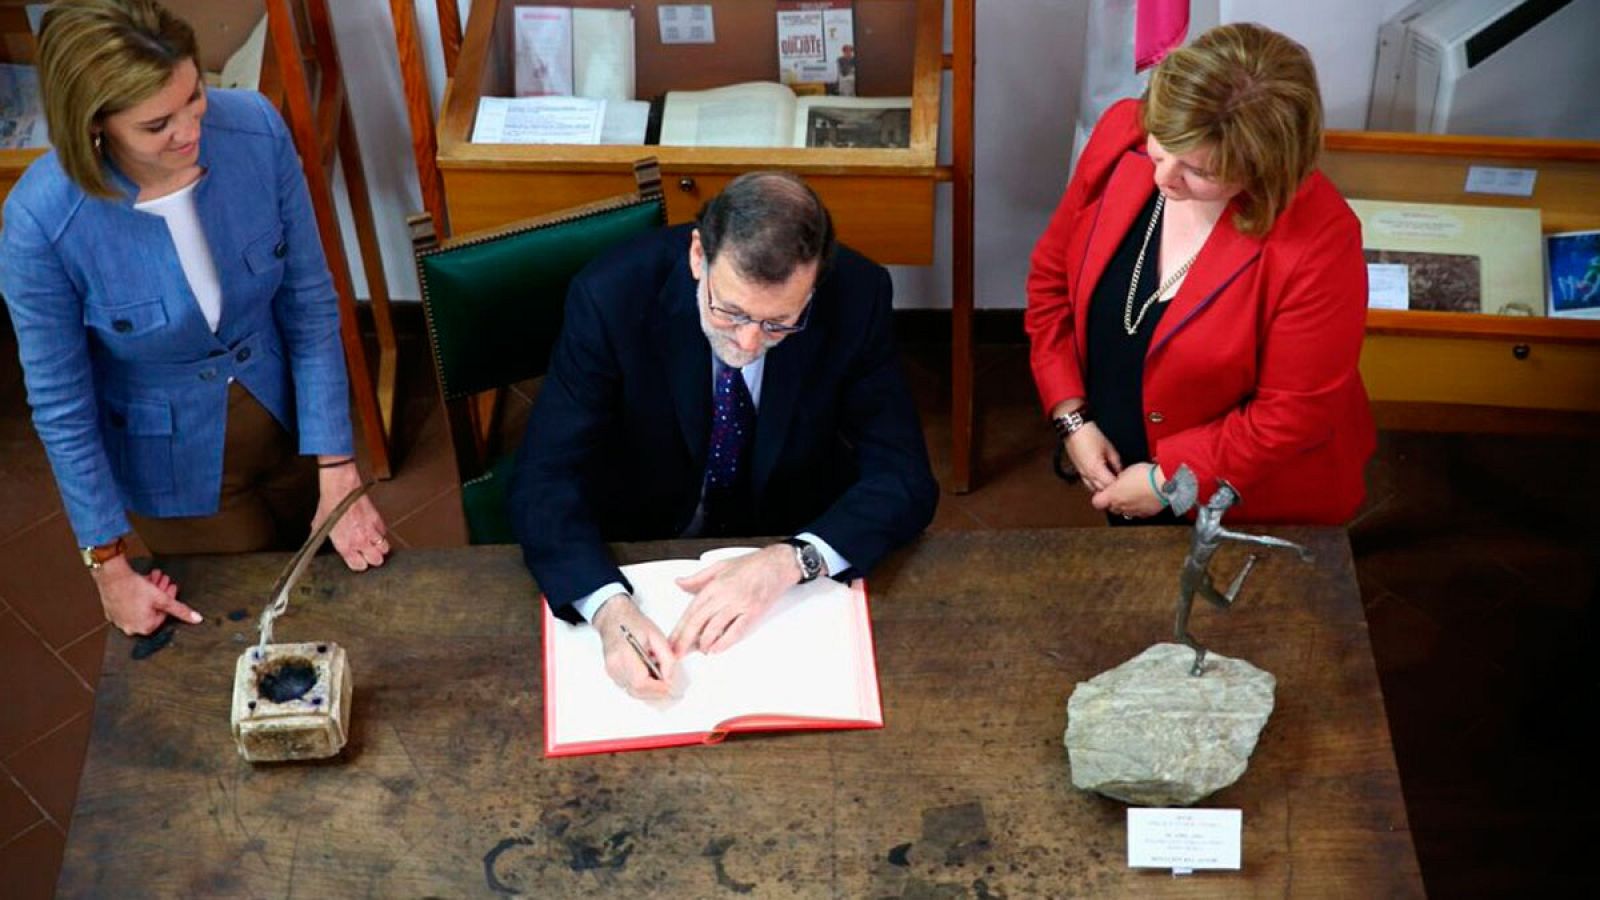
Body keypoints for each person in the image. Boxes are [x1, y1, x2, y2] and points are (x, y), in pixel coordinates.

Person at [0, 0, 388, 638]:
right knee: (251, 634)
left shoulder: (257, 130)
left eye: (195, 97)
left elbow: (310, 302)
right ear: (95, 126)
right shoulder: (43, 223)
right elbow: (62, 406)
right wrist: (108, 566)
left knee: (354, 608)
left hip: (292, 422)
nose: (190, 130)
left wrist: (336, 462)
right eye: (157, 125)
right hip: (177, 466)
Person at [509, 172, 938, 699]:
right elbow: (544, 478)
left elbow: (904, 477)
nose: (750, 341)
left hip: (783, 546)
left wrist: (791, 560)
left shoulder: (858, 294)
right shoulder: (610, 296)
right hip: (638, 545)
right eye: (730, 311)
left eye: (780, 322)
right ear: (698, 256)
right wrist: (607, 608)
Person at [1025, 22, 1375, 526]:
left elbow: (1290, 415)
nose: (1163, 177)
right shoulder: (1125, 130)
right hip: (1123, 465)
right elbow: (1051, 281)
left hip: (1248, 500)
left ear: (1265, 169)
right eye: (1162, 145)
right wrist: (1073, 419)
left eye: (1201, 172)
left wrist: (1165, 480)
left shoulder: (1321, 240)